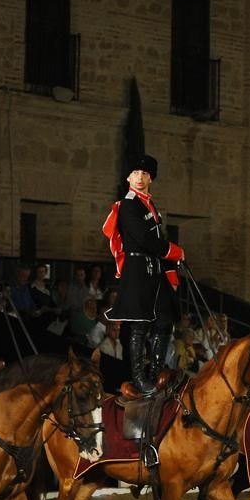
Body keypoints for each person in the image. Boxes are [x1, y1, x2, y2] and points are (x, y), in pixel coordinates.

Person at [103, 154, 185, 395]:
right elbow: (143, 238)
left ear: (151, 178)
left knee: (164, 321)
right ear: (129, 177)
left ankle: (156, 371)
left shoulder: (150, 204)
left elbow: (156, 238)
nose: (140, 177)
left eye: (145, 174)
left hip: (155, 270)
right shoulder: (129, 204)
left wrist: (169, 269)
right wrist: (173, 250)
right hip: (138, 269)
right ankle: (139, 378)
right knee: (139, 325)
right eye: (136, 173)